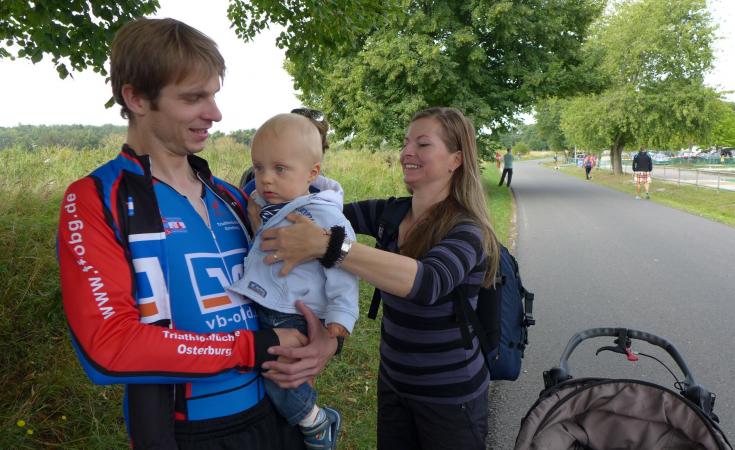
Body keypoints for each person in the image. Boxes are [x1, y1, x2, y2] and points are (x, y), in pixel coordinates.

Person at [56, 18, 336, 449]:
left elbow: (299, 282)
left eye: (214, 95)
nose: (215, 114)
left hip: (275, 418)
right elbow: (109, 346)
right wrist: (254, 347)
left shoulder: (232, 197)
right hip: (188, 431)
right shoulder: (97, 198)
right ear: (136, 98)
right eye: (193, 98)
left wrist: (326, 343)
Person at [259, 107, 501, 449]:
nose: (406, 153)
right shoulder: (391, 213)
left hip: (451, 398)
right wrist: (286, 161)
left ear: (456, 159)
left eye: (422, 144)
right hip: (393, 384)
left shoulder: (468, 229)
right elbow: (315, 210)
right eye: (405, 143)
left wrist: (329, 246)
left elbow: (427, 282)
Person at [227, 113, 359, 449]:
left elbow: (343, 269)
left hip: (294, 312)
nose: (265, 179)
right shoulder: (269, 206)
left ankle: (315, 421)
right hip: (270, 303)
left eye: (280, 169)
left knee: (281, 374)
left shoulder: (321, 214)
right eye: (259, 168)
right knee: (269, 371)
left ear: (312, 173)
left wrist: (341, 317)